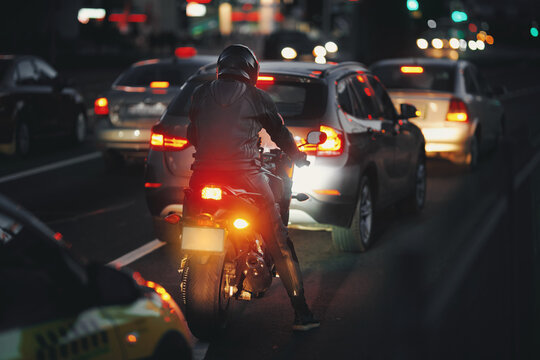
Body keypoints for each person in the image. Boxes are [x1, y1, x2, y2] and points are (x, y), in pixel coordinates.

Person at [186, 44, 319, 331]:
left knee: (191, 221)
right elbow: (279, 133)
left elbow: (192, 134)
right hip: (244, 177)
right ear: (251, 71)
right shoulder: (258, 97)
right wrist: (298, 156)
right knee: (279, 242)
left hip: (201, 178)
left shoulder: (199, 94)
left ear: (222, 67)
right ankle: (302, 314)